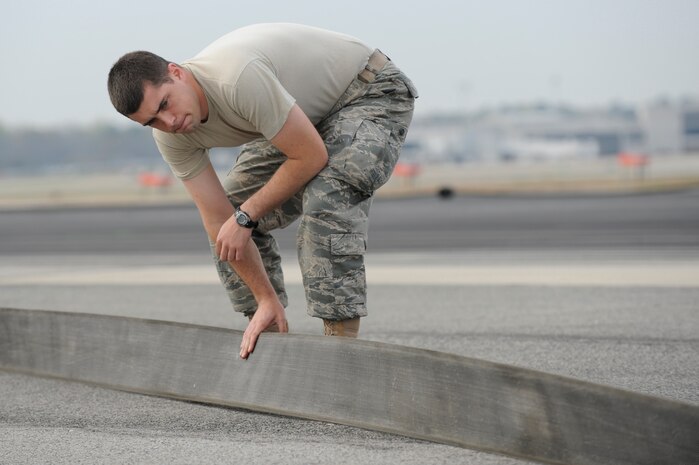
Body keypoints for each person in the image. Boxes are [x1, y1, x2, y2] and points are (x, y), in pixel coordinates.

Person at [107, 23, 417, 359]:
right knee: (227, 230)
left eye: (165, 104)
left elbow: (311, 156)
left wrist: (245, 216)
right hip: (302, 117)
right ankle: (270, 333)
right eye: (152, 121)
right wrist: (263, 295)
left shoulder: (236, 79)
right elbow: (217, 216)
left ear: (176, 73)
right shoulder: (170, 136)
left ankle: (339, 352)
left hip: (367, 92)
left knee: (327, 198)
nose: (168, 122)